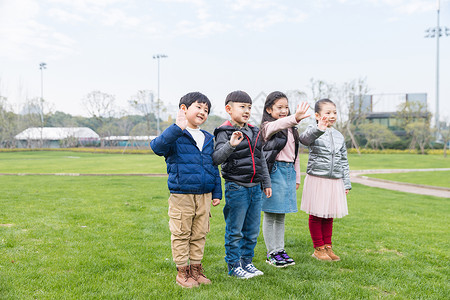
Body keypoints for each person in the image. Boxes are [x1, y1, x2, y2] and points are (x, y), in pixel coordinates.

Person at [150, 92, 222, 288]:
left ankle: (196, 271)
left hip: (205, 195)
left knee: (200, 233)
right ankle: (182, 272)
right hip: (182, 194)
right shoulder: (175, 134)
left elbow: (212, 166)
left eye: (206, 110)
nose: (202, 112)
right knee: (182, 233)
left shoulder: (208, 137)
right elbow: (156, 147)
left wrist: (217, 192)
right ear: (184, 109)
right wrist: (177, 127)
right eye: (198, 107)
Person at [213, 90, 272, 279]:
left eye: (249, 107)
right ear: (229, 109)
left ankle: (247, 262)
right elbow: (216, 158)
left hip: (255, 187)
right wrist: (230, 145)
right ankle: (234, 265)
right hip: (236, 187)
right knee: (235, 230)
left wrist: (266, 182)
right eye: (242, 106)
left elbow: (260, 158)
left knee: (252, 230)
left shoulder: (254, 131)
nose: (247, 110)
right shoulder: (224, 131)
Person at [259, 91, 310, 267]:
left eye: (286, 107)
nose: (284, 110)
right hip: (274, 172)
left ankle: (280, 249)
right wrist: (294, 117)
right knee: (270, 214)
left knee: (281, 215)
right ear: (268, 109)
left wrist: (297, 178)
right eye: (279, 107)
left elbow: (296, 156)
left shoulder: (292, 130)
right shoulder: (268, 127)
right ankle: (271, 252)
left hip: (288, 172)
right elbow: (279, 124)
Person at [299, 98, 351, 261]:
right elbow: (304, 140)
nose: (332, 115)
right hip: (317, 178)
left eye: (334, 112)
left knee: (329, 215)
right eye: (327, 112)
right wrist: (318, 129)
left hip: (334, 180)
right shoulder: (313, 130)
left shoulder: (339, 136)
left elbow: (344, 160)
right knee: (316, 214)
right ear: (317, 115)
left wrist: (346, 182)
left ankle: (328, 246)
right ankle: (318, 248)